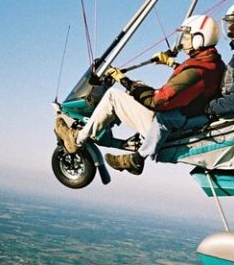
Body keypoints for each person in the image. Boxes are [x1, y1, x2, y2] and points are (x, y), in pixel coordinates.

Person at [55, 14, 225, 175]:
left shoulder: (196, 71)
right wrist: (171, 63)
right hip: (184, 116)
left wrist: (124, 81)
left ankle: (76, 140)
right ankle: (104, 123)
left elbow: (157, 100)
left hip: (169, 124)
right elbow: (194, 80)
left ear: (199, 39)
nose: (183, 41)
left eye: (187, 37)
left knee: (113, 96)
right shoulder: (213, 62)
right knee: (140, 87)